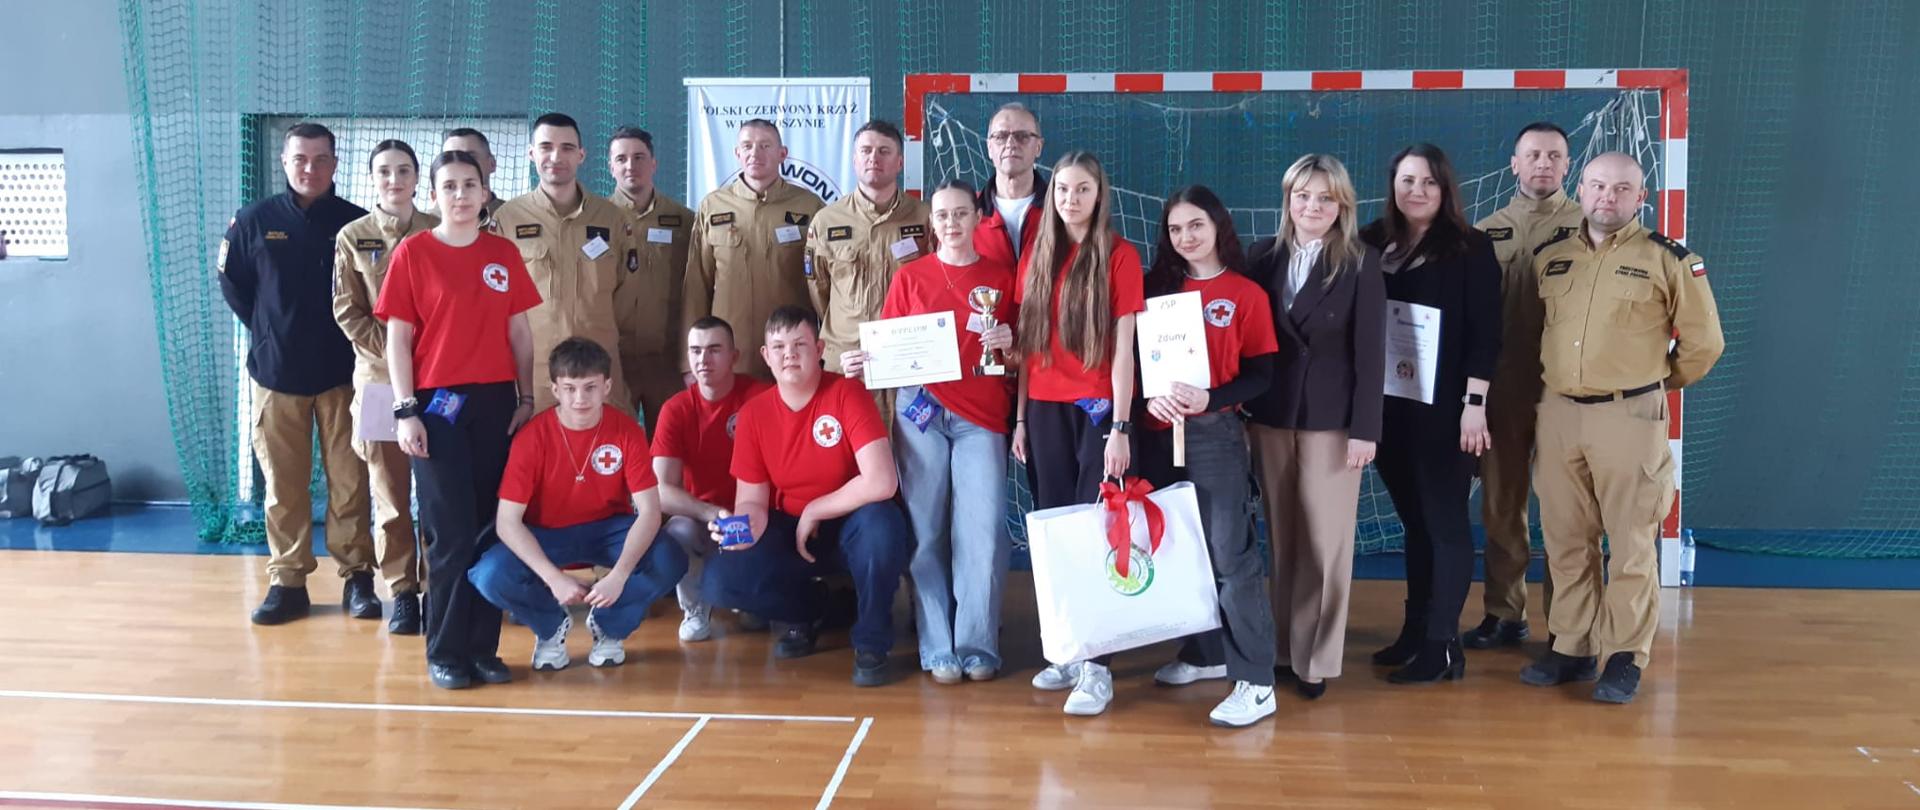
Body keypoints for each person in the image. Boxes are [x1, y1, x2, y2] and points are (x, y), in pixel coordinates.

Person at [1521, 152, 1723, 704]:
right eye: (1597, 186)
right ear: (1580, 189)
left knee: (1631, 543)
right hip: (1559, 413)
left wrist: (1651, 385)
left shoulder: (1670, 261)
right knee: (1564, 538)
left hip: (1629, 415)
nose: (1607, 197)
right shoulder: (1551, 257)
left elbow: (1705, 344)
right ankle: (1571, 645)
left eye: (1621, 189)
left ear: (1641, 197)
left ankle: (1624, 656)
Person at [838, 180, 1015, 685]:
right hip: (921, 414)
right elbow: (889, 352)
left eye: (961, 214)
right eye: (942, 216)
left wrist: (1008, 338)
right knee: (925, 531)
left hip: (981, 417)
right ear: (931, 222)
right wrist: (862, 362)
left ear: (977, 218)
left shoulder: (1002, 278)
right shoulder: (910, 278)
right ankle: (938, 645)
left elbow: (1019, 353)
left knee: (980, 533)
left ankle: (978, 643)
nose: (952, 224)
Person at [376, 150, 540, 689]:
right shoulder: (413, 254)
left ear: (485, 191)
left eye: (471, 185)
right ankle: (444, 650)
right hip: (437, 405)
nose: (462, 195)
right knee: (449, 533)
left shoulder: (503, 254)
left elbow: (520, 333)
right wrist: (406, 411)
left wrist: (526, 397)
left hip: (496, 402)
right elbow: (397, 339)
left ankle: (482, 648)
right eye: (450, 186)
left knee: (493, 529)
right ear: (433, 194)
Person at [1134, 186, 1282, 727]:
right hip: (1157, 433)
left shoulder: (1245, 294)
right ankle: (1205, 651)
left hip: (1215, 434)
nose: (1186, 237)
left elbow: (1263, 373)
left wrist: (1211, 399)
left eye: (1195, 225)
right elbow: (1135, 360)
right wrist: (1147, 398)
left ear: (1217, 225)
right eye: (1175, 229)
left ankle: (1257, 681)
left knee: (1229, 555)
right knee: (1178, 552)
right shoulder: (1154, 290)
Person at [218, 122, 376, 627]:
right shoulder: (253, 221)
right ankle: (287, 582)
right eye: (300, 159)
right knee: (283, 487)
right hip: (276, 377)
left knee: (351, 482)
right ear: (284, 163)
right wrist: (269, 333)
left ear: (335, 163)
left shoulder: (357, 223)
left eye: (321, 159)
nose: (310, 168)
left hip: (345, 376)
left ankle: (358, 579)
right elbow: (236, 287)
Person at [702, 306, 909, 687]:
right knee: (719, 580)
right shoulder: (753, 414)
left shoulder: (847, 393)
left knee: (883, 527)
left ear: (819, 348)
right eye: (778, 346)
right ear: (765, 356)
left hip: (854, 521)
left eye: (799, 344)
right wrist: (739, 531)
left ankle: (872, 641)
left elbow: (882, 481)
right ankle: (809, 612)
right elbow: (752, 501)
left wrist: (817, 508)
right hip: (788, 527)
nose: (789, 354)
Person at [1359, 144, 1502, 684]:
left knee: (1443, 525)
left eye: (1428, 183)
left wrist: (1474, 406)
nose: (1416, 191)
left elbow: (1486, 335)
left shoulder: (1471, 248)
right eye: (1407, 180)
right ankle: (1416, 631)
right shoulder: (1370, 243)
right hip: (1389, 411)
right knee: (1414, 525)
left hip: (1448, 412)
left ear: (1446, 190)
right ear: (1392, 184)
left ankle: (1445, 647)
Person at [1244, 154, 1385, 701]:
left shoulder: (1361, 262)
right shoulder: (1263, 257)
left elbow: (1372, 354)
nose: (1313, 207)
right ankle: (1282, 649)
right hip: (1272, 419)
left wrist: (1365, 429)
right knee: (1285, 542)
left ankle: (1315, 658)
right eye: (1303, 196)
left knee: (1326, 547)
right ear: (1288, 200)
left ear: (1342, 206)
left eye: (1326, 198)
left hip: (1334, 425)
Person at [1010, 151, 1144, 716]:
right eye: (1062, 189)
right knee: (1057, 534)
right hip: (1042, 410)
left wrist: (1119, 424)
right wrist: (1019, 418)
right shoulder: (1038, 255)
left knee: (1097, 533)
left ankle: (1098, 667)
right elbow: (1026, 349)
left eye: (1082, 189)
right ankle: (1068, 649)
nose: (1070, 198)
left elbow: (1123, 350)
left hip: (1096, 413)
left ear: (1099, 194)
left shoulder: (1119, 255)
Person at [468, 338, 689, 672]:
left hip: (608, 529)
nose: (580, 399)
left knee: (670, 557)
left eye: (590, 388)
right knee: (489, 575)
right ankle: (550, 627)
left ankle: (609, 626)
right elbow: (507, 522)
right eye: (570, 389)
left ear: (607, 387)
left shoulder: (627, 431)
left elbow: (650, 511)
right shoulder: (532, 438)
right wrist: (554, 579)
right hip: (546, 533)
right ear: (555, 390)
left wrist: (619, 576)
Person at [1467, 122, 1585, 649]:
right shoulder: (1483, 232)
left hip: (1566, 391)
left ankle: (1567, 625)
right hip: (1502, 390)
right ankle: (1503, 613)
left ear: (1567, 165)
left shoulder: (1591, 227)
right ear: (1513, 164)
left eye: (1554, 155)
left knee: (1566, 511)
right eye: (1532, 154)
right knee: (1500, 505)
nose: (1543, 163)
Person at [331, 139, 435, 635]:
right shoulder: (354, 235)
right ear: (372, 179)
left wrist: (426, 356)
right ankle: (403, 591)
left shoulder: (440, 230)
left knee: (438, 493)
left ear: (418, 179)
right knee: (391, 497)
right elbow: (346, 308)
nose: (394, 180)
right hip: (377, 383)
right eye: (384, 172)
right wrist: (395, 355)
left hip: (438, 381)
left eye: (403, 171)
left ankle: (437, 588)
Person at [492, 112, 638, 413]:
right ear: (531, 154)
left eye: (568, 148)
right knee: (538, 458)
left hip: (600, 370)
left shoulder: (611, 218)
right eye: (546, 147)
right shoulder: (507, 219)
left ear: (581, 155)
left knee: (603, 455)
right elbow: (497, 305)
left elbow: (626, 297)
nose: (556, 156)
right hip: (535, 378)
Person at [650, 316, 771, 642]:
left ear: (734, 356)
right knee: (676, 531)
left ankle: (750, 602)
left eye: (714, 350)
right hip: (702, 517)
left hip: (755, 517)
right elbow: (660, 490)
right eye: (696, 351)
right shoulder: (675, 409)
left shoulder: (760, 397)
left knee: (753, 618)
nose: (704, 360)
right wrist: (708, 513)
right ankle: (694, 608)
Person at [682, 119, 826, 378]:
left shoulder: (810, 206)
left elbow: (824, 284)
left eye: (765, 145)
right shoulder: (713, 206)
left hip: (790, 355)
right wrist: (689, 361)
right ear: (737, 153)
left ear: (783, 154)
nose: (755, 153)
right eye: (747, 146)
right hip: (729, 353)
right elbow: (696, 286)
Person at [807, 119, 931, 378]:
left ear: (899, 162)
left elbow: (936, 284)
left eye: (884, 151)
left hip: (907, 358)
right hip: (845, 360)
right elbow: (819, 292)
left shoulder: (926, 216)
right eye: (866, 150)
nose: (874, 157)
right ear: (854, 160)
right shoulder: (826, 220)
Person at [607, 125, 697, 428]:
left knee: (670, 444)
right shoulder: (596, 219)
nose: (630, 166)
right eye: (621, 159)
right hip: (614, 359)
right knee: (616, 443)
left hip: (667, 357)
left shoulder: (684, 220)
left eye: (639, 157)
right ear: (611, 167)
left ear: (654, 163)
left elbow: (696, 286)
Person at [974, 103, 1046, 269]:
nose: (1011, 144)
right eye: (1000, 136)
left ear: (1038, 147)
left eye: (1022, 136)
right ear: (989, 148)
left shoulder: (1061, 209)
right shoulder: (966, 213)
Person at [442, 127, 506, 223]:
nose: (460, 164)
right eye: (450, 158)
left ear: (492, 164)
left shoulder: (514, 216)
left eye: (470, 157)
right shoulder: (430, 223)